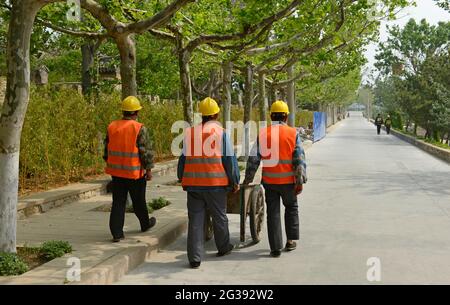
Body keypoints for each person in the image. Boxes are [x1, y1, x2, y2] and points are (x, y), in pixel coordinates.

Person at [178, 97, 240, 269]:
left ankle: (195, 258)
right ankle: (223, 247)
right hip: (215, 184)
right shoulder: (221, 133)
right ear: (216, 114)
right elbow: (229, 160)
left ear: (202, 115)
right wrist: (235, 181)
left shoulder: (190, 133)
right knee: (219, 216)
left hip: (193, 184)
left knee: (195, 219)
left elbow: (182, 159)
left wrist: (181, 178)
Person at [243, 100, 307, 258]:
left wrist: (247, 179)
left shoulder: (263, 134)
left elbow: (253, 159)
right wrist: (299, 181)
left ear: (271, 116)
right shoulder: (293, 134)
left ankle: (275, 247)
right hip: (288, 183)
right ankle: (290, 241)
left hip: (270, 182)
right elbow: (299, 160)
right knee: (291, 208)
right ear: (286, 117)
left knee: (273, 212)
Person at [104, 96, 156, 243]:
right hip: (134, 174)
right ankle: (145, 224)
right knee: (139, 201)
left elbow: (106, 150)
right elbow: (145, 151)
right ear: (136, 112)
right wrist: (149, 170)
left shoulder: (112, 126)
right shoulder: (139, 128)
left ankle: (117, 233)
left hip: (117, 173)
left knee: (118, 203)